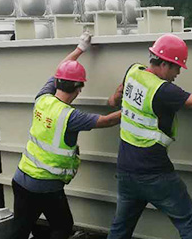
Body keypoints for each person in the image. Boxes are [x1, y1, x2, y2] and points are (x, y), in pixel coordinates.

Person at [107, 34, 192, 239]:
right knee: (188, 221)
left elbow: (115, 98)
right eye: (176, 67)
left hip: (126, 171)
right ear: (164, 64)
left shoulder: (133, 71)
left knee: (120, 228)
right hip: (155, 174)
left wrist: (117, 100)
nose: (178, 72)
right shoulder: (163, 90)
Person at [12, 32, 123, 239]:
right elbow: (106, 121)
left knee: (20, 228)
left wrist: (80, 48)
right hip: (46, 185)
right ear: (78, 89)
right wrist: (135, 109)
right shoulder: (71, 117)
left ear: (58, 82)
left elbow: (60, 69)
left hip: (21, 178)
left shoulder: (43, 98)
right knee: (63, 226)